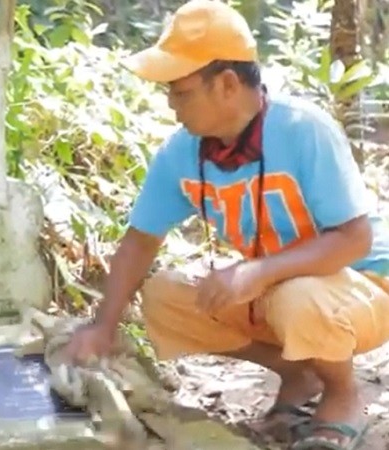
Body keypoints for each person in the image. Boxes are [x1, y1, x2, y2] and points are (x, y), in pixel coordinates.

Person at [65, 1, 389, 450]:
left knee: (299, 297)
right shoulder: (183, 151)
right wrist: (102, 327)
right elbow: (140, 242)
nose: (170, 104)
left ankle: (343, 395)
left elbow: (356, 240)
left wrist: (257, 272)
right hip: (279, 293)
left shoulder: (303, 130)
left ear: (228, 84)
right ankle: (297, 373)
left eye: (180, 91)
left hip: (363, 288)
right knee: (164, 295)